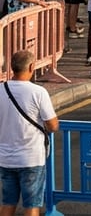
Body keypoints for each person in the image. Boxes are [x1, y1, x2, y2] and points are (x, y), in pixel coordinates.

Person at [0, 50, 58, 216]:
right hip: (31, 158)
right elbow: (53, 125)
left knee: (8, 203)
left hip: (5, 158)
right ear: (32, 66)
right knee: (32, 205)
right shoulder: (38, 92)